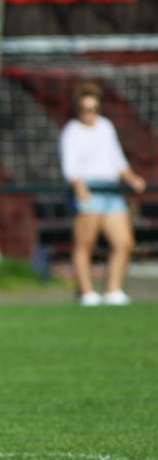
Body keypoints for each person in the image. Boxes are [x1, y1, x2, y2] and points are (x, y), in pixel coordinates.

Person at [59, 81, 147, 306]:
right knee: (84, 243)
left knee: (123, 242)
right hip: (89, 188)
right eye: (85, 110)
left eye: (94, 109)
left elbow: (117, 160)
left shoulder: (106, 127)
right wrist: (80, 190)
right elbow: (71, 167)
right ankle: (87, 293)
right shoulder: (71, 132)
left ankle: (112, 290)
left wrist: (132, 178)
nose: (90, 114)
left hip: (111, 189)